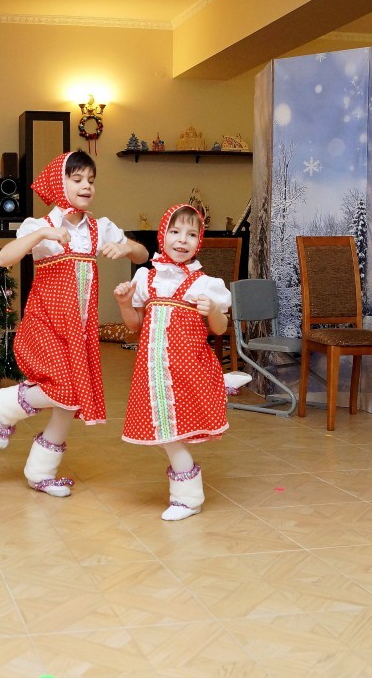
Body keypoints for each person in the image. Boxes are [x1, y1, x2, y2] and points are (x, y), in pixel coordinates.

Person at [0, 150, 148, 497]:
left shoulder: (99, 228)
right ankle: (7, 404)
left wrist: (127, 249)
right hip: (46, 324)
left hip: (81, 329)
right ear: (58, 183)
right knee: (62, 389)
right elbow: (3, 258)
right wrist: (43, 236)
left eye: (91, 180)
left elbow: (143, 254)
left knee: (71, 400)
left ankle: (41, 473)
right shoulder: (39, 225)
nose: (86, 186)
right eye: (77, 179)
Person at [114, 204, 230, 521]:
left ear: (199, 241)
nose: (182, 240)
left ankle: (188, 497)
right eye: (175, 232)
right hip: (153, 371)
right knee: (164, 430)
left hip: (186, 370)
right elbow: (134, 326)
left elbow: (220, 328)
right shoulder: (146, 278)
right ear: (162, 235)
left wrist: (213, 311)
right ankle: (186, 495)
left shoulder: (204, 283)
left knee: (171, 433)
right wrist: (124, 303)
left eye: (191, 234)